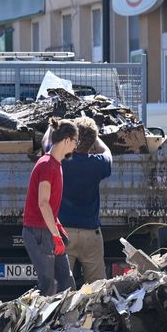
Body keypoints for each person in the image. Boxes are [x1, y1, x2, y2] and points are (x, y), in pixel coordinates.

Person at [22, 119, 78, 296]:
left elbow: (49, 206)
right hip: (38, 233)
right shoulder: (47, 165)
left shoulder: (55, 164)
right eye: (75, 141)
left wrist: (57, 227)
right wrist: (55, 235)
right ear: (67, 140)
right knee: (48, 287)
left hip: (46, 231)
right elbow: (43, 202)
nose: (75, 146)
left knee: (66, 282)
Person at [58, 116, 112, 284]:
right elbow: (107, 153)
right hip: (91, 233)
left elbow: (47, 145)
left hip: (64, 233)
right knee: (97, 287)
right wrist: (96, 139)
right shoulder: (98, 164)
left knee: (61, 289)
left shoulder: (61, 161)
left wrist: (53, 129)